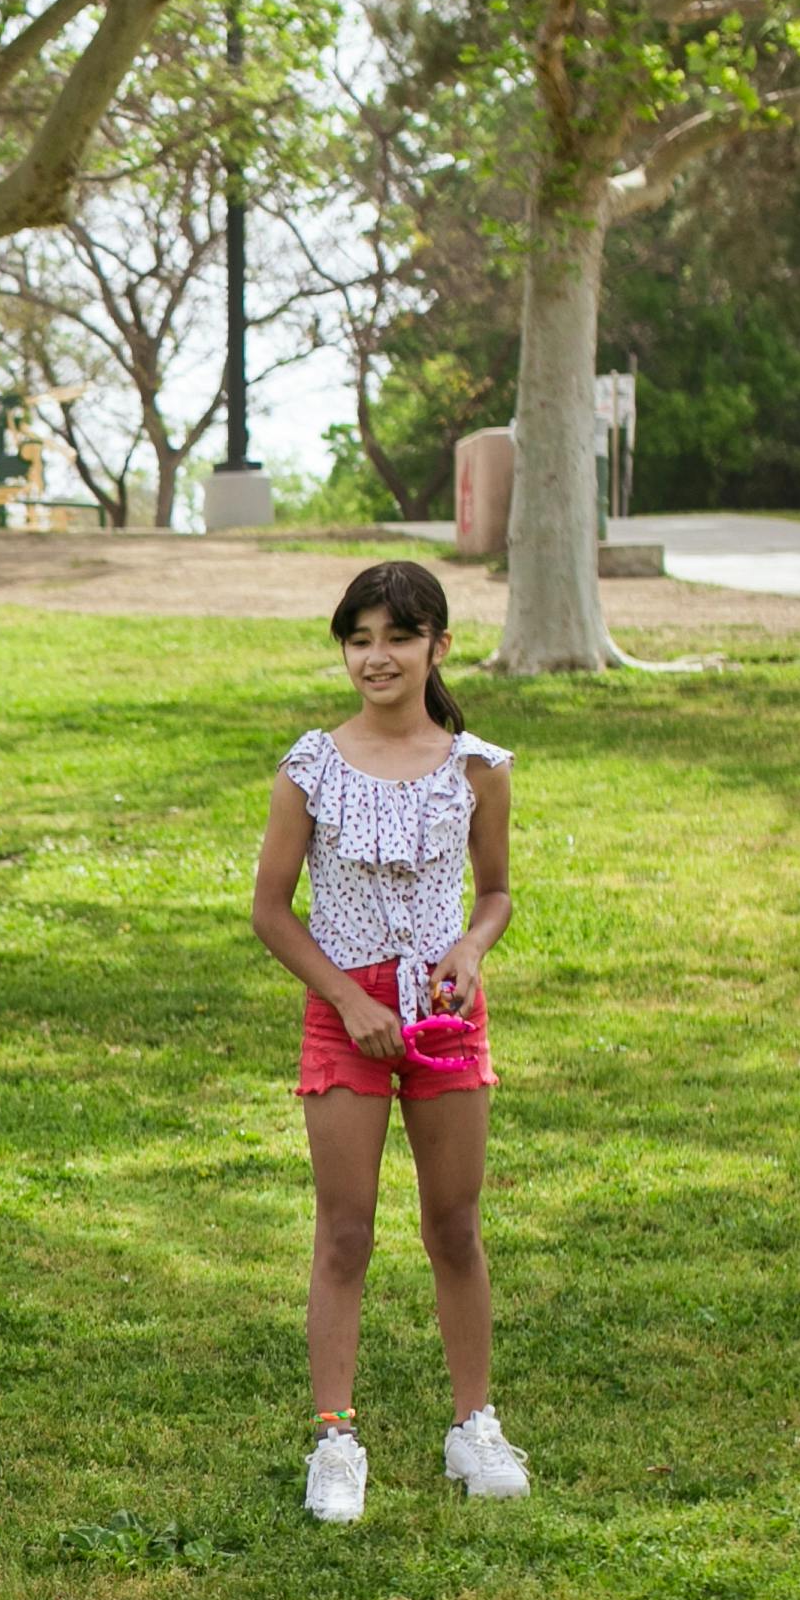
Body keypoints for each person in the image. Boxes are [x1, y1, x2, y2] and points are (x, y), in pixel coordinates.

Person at [248, 557, 526, 1526]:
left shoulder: (477, 769)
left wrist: (472, 945)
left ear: (437, 648)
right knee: (347, 1230)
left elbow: (493, 894)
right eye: (359, 639)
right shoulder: (312, 766)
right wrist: (347, 1002)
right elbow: (273, 912)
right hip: (346, 1009)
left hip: (446, 1011)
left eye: (398, 638)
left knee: (454, 1227)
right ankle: (335, 1436)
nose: (376, 658)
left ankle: (474, 1423)